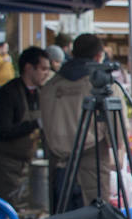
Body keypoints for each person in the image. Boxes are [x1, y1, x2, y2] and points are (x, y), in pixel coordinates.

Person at [38, 32, 111, 208]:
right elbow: (115, 131)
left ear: (73, 52)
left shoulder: (50, 86)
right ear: (98, 56)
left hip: (58, 165)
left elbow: (44, 126)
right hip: (92, 165)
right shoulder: (98, 86)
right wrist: (118, 148)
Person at [0, 45, 51, 208]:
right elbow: (2, 130)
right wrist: (36, 124)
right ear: (28, 68)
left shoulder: (42, 93)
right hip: (4, 166)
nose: (46, 73)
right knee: (0, 210)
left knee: (27, 210)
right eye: (43, 69)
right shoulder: (6, 94)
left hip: (28, 164)